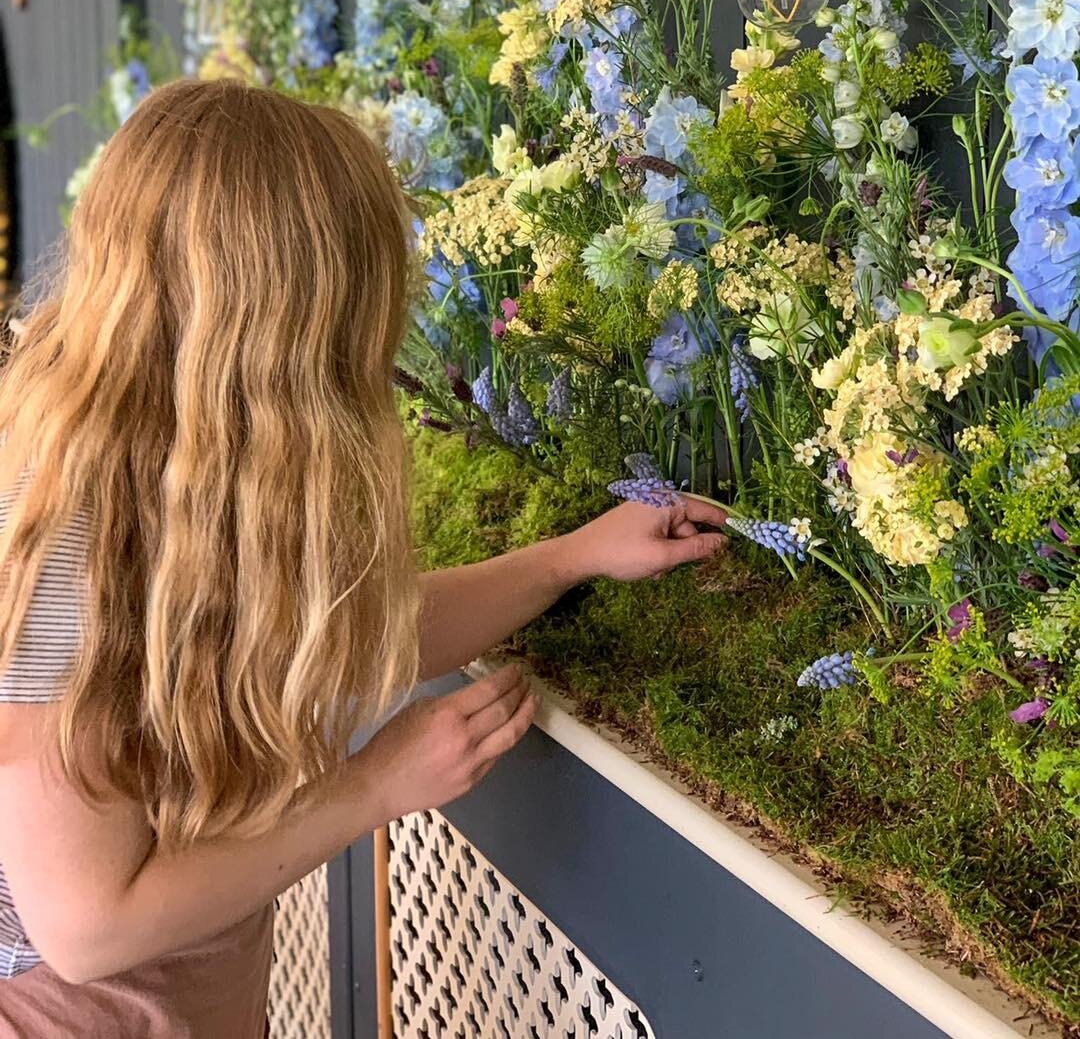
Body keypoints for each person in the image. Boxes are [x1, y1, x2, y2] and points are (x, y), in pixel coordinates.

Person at [0, 79, 728, 1036]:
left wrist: (572, 556)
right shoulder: (71, 540)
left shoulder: (172, 474)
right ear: (283, 327)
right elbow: (86, 926)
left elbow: (348, 633)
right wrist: (375, 785)